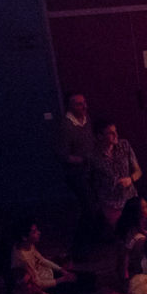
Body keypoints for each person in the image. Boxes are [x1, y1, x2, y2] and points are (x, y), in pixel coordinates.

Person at [58, 92, 99, 253]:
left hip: (90, 170)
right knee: (89, 207)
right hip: (76, 173)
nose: (84, 106)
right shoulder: (66, 127)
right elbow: (63, 155)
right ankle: (79, 246)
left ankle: (93, 239)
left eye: (84, 103)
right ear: (70, 106)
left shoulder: (86, 120)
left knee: (94, 204)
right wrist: (83, 160)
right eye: (79, 104)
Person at [91, 120, 142, 230]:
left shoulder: (124, 145)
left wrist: (130, 179)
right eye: (111, 133)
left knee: (137, 229)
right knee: (120, 232)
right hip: (111, 203)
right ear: (100, 136)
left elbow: (138, 171)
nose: (116, 135)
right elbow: (92, 182)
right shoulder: (94, 156)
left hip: (130, 198)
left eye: (116, 131)